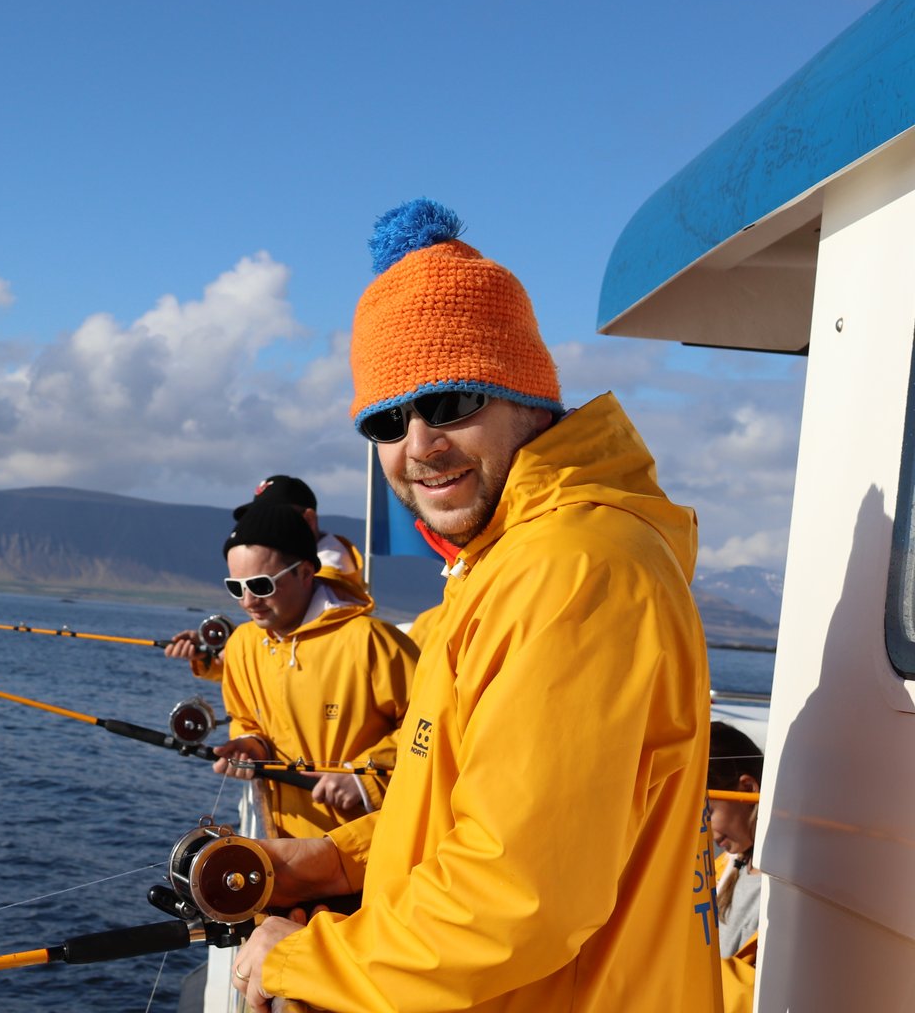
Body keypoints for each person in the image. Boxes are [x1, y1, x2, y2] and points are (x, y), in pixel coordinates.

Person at [229, 199, 721, 1012]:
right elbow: (462, 812)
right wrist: (330, 860)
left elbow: (518, 893)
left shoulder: (571, 573)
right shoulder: (500, 570)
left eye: (451, 403)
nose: (420, 445)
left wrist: (309, 960)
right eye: (388, 421)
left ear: (527, 397)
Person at [205, 491, 418, 834]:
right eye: (235, 587)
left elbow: (436, 724)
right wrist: (249, 743)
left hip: (374, 845)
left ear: (305, 573)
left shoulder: (371, 641)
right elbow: (245, 718)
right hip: (284, 844)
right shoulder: (243, 644)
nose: (248, 601)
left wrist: (367, 779)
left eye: (261, 585)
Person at [165, 475, 368, 681]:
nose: (262, 527)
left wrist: (229, 647)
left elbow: (293, 655)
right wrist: (214, 649)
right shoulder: (309, 572)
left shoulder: (327, 580)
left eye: (263, 585)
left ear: (309, 519)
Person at [708, 721, 763, 1013]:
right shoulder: (725, 868)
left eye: (707, 813)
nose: (701, 832)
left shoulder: (783, 890)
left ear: (747, 789)